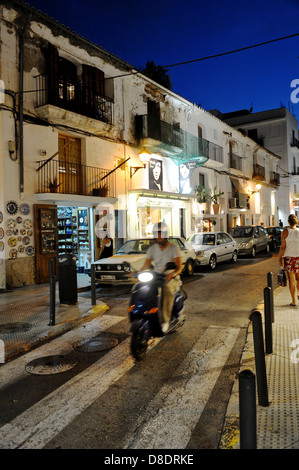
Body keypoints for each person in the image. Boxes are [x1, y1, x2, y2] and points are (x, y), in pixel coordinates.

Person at [140, 222, 182, 332]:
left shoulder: (174, 248)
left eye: (160, 234)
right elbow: (145, 265)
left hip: (171, 277)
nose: (158, 236)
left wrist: (172, 274)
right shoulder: (152, 249)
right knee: (141, 288)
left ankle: (165, 320)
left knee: (166, 290)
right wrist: (135, 273)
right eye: (156, 234)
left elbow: (179, 268)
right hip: (157, 276)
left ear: (165, 234)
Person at [278, 214, 299, 306]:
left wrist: (280, 257)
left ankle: (293, 301)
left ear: (288, 221)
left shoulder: (285, 231)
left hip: (289, 258)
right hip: (298, 257)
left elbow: (283, 247)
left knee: (292, 280)